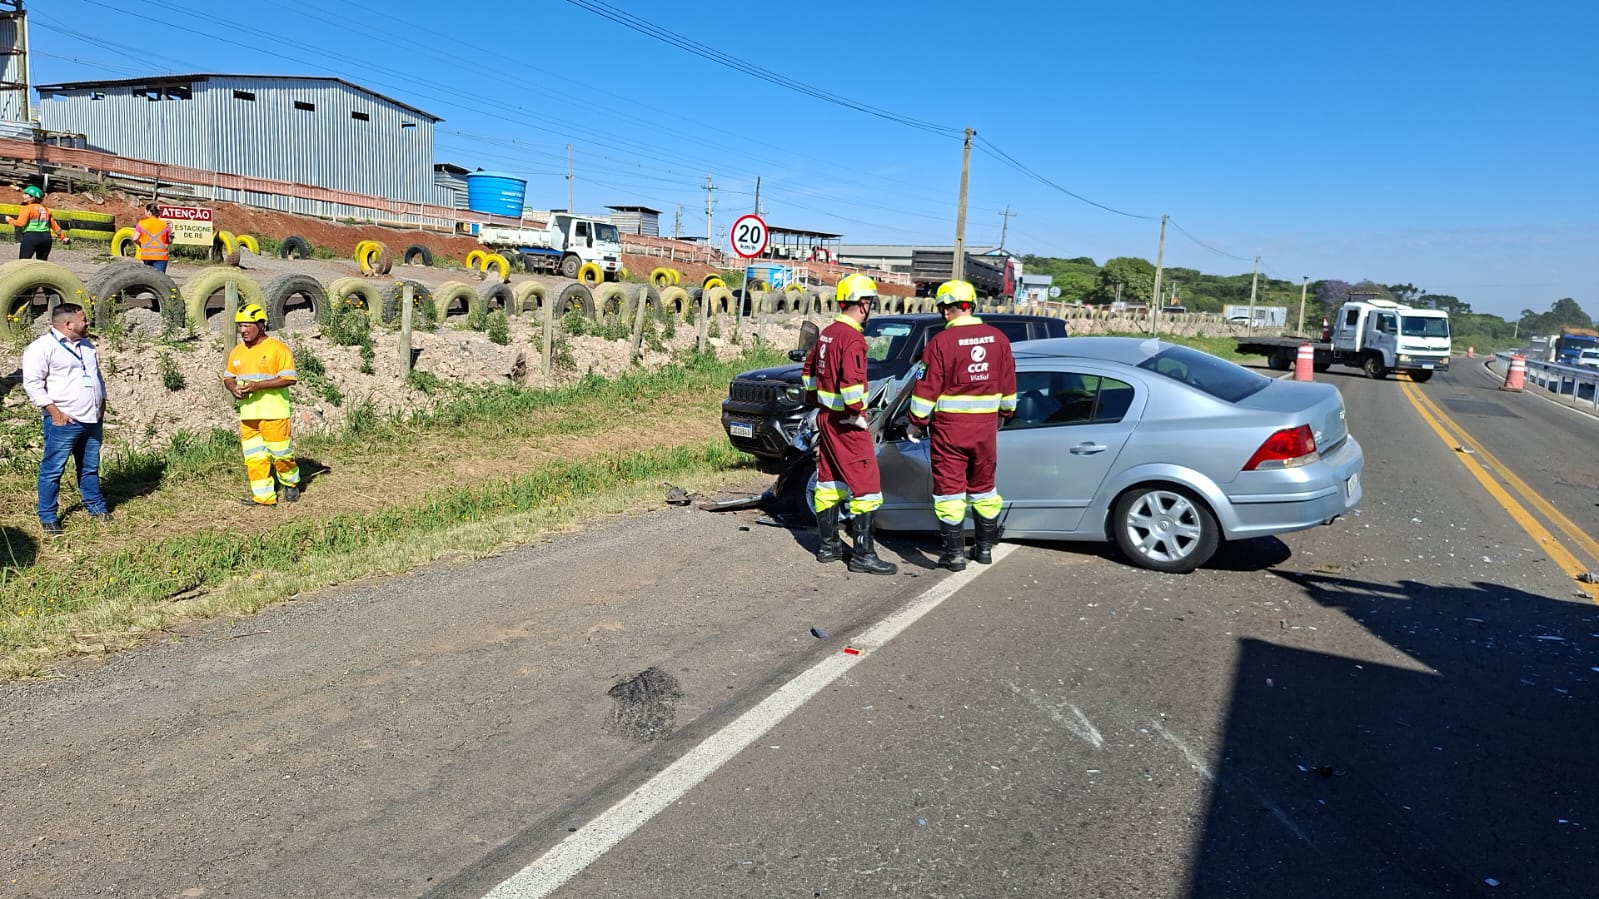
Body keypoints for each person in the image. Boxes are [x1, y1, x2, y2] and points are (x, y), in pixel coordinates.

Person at [908, 279, 1017, 570]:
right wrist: (1004, 415)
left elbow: (926, 388)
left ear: (946, 310)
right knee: (984, 489)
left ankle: (954, 556)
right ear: (972, 305)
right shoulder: (999, 339)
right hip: (986, 431)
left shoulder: (940, 342)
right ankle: (983, 550)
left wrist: (915, 423)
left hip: (950, 432)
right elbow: (1009, 388)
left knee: (950, 493)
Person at [800, 273, 897, 575]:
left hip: (827, 418)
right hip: (846, 422)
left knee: (829, 482)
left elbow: (808, 371)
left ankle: (828, 546)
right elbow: (853, 386)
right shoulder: (853, 338)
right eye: (870, 303)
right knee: (867, 486)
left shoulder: (828, 333)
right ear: (863, 304)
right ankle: (863, 555)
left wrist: (817, 401)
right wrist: (856, 413)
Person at [22, 302, 110, 538]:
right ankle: (49, 517)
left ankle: (96, 507)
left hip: (91, 419)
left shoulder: (87, 346)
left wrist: (102, 403)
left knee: (90, 467)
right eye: (84, 319)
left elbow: (96, 377)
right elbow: (32, 384)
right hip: (64, 422)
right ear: (68, 324)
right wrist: (54, 412)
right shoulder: (41, 348)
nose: (88, 322)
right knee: (53, 470)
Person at [222, 303, 301, 507]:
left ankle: (290, 483)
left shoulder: (277, 349)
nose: (243, 330)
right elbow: (228, 376)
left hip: (274, 413)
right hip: (248, 416)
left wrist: (258, 386)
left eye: (247, 325)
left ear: (261, 325)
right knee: (254, 458)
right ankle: (264, 497)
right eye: (240, 326)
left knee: (281, 454)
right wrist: (232, 387)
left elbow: (289, 378)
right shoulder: (237, 352)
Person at [9, 185, 69, 260]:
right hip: (46, 238)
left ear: (33, 198)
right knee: (41, 263)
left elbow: (20, 223)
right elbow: (55, 227)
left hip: (31, 237)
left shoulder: (27, 208)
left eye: (26, 194)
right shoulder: (46, 209)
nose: (23, 196)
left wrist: (10, 220)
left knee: (23, 262)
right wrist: (63, 237)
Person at [133, 203, 173, 272]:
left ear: (149, 212)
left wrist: (140, 243)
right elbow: (169, 241)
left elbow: (135, 238)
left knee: (149, 278)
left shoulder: (141, 223)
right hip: (161, 256)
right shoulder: (165, 225)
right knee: (159, 278)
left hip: (146, 255)